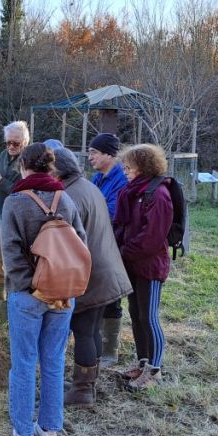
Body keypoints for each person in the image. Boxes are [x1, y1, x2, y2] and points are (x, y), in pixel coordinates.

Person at [0, 143, 84, 436]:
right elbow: (81, 242)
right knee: (54, 360)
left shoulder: (15, 202)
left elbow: (9, 250)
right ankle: (50, 429)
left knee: (23, 362)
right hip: (63, 293)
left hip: (28, 295)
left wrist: (28, 285)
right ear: (50, 166)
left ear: (24, 165)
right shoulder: (66, 198)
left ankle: (23, 431)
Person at [52, 149, 132, 406]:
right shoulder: (87, 186)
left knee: (84, 332)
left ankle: (83, 390)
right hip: (104, 269)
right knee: (92, 330)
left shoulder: (69, 196)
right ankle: (84, 382)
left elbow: (67, 243)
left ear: (57, 171)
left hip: (91, 274)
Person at [112, 143, 173, 392]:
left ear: (144, 166)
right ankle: (143, 363)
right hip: (132, 264)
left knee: (149, 317)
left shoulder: (158, 195)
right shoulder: (132, 192)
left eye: (130, 166)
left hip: (149, 266)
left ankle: (154, 371)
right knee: (136, 316)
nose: (125, 170)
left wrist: (123, 252)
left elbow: (152, 237)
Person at [87, 132, 129, 366]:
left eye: (94, 152)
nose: (89, 156)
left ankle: (110, 350)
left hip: (114, 246)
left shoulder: (121, 179)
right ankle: (96, 344)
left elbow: (112, 213)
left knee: (111, 297)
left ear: (108, 154)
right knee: (97, 294)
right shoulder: (96, 178)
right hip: (95, 244)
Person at [0, 120, 30, 318]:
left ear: (25, 143)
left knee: (14, 264)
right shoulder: (3, 156)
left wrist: (0, 181)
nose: (11, 147)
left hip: (16, 221)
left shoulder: (29, 161)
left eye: (16, 144)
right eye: (8, 143)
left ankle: (13, 311)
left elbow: (23, 191)